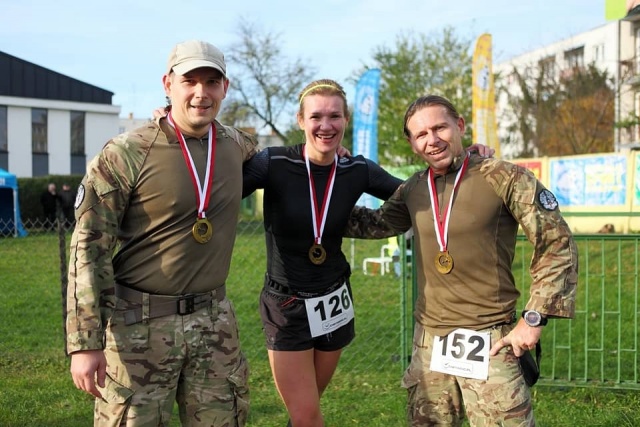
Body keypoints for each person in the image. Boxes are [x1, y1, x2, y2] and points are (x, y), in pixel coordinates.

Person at [242, 81, 495, 426]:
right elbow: (221, 185)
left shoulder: (356, 169)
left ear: (346, 120)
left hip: (333, 300)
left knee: (306, 408)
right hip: (287, 305)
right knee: (305, 415)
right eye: (316, 116)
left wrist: (467, 160)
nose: (326, 125)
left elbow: (418, 193)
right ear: (301, 120)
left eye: (335, 116)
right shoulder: (274, 162)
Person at [346, 94, 578, 426]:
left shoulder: (504, 177)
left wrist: (534, 318)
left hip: (491, 341)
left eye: (440, 128)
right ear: (412, 144)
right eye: (421, 134)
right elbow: (373, 223)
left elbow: (556, 242)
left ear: (459, 125)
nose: (432, 139)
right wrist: (325, 181)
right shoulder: (413, 189)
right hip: (429, 343)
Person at [66, 40, 258, 426]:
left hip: (214, 324)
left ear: (225, 88)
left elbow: (283, 164)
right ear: (168, 84)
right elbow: (89, 245)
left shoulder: (237, 145)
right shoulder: (126, 152)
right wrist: (85, 343)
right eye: (189, 81)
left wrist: (327, 152)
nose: (201, 93)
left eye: (212, 82)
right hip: (139, 328)